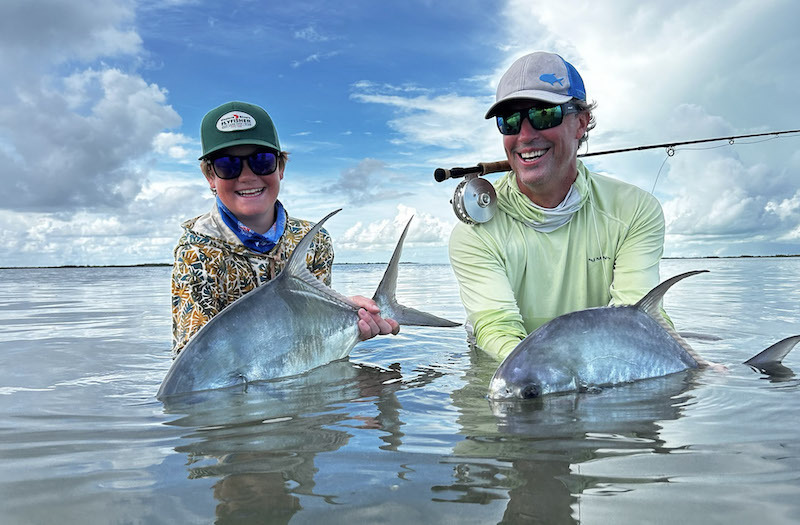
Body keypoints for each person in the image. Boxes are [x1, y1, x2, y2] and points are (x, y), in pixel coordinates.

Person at [449, 51, 683, 362]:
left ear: (581, 123)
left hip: (598, 368)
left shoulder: (635, 210)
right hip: (513, 375)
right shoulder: (473, 232)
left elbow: (638, 322)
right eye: (511, 121)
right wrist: (536, 380)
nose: (526, 135)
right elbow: (496, 328)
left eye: (545, 115)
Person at [171, 101, 398, 356]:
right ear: (210, 176)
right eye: (228, 165)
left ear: (280, 168)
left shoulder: (314, 241)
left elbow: (313, 331)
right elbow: (190, 355)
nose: (246, 176)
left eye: (262, 160)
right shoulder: (196, 251)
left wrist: (352, 314)